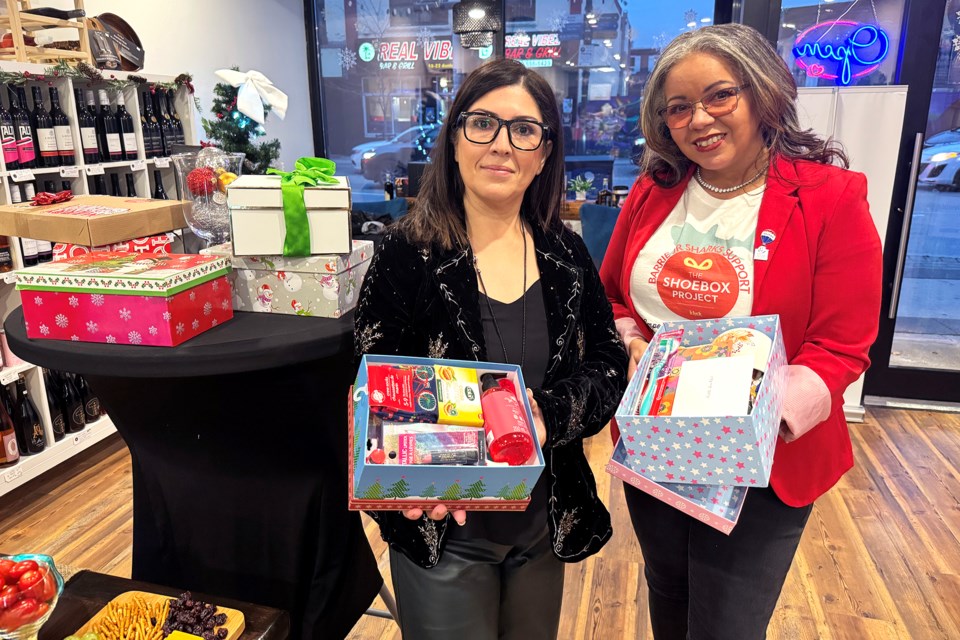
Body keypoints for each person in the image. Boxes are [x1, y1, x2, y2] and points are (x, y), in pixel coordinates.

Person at [599, 24, 882, 639]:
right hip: (658, 440)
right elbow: (614, 294)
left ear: (762, 94)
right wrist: (632, 344)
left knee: (726, 624)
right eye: (678, 107)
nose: (698, 118)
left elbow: (843, 344)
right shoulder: (654, 192)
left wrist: (755, 414)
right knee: (668, 593)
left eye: (719, 96)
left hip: (763, 458)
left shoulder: (829, 198)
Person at [353, 58, 627, 639]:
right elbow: (371, 390)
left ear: (545, 153)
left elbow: (607, 366)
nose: (502, 145)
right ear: (455, 138)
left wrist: (544, 418)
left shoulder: (566, 255)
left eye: (524, 130)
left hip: (543, 523)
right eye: (482, 124)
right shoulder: (407, 253)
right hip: (443, 527)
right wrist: (398, 483)